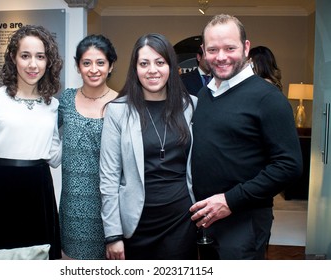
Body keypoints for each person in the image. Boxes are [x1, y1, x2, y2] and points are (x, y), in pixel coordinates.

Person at [189, 14, 303, 260]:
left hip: (245, 222)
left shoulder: (268, 99)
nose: (221, 57)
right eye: (213, 49)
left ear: (246, 47)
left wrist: (230, 200)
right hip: (207, 220)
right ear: (203, 52)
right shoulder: (205, 94)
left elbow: (289, 166)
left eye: (230, 48)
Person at [0, 25, 63, 260]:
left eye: (40, 57)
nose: (32, 64)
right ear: (13, 58)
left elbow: (54, 158)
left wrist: (78, 128)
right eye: (25, 56)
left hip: (39, 191)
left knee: (38, 262)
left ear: (48, 62)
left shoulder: (52, 105)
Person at [99, 33, 198, 260]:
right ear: (135, 69)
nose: (152, 70)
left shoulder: (190, 105)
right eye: (144, 63)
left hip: (181, 220)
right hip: (136, 223)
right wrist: (113, 235)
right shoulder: (117, 111)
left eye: (159, 62)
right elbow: (108, 177)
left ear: (171, 67)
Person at [58, 34, 118, 260]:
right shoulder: (66, 100)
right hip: (72, 205)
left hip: (108, 205)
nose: (94, 69)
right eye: (87, 63)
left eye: (100, 63)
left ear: (111, 66)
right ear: (78, 66)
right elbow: (44, 133)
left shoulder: (121, 103)